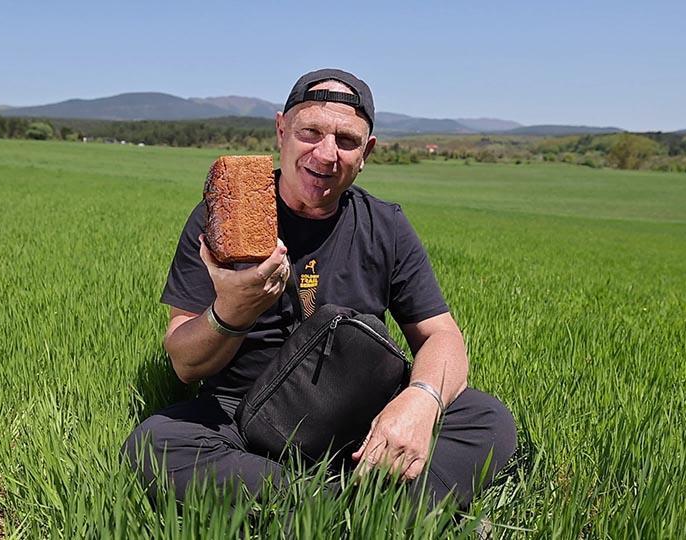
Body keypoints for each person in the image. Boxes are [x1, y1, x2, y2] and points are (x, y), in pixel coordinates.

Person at [122, 68, 516, 507]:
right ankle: (362, 510)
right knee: (155, 444)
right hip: (242, 415)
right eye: (311, 132)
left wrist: (421, 403)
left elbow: (441, 334)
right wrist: (231, 312)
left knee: (487, 419)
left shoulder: (385, 225)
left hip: (357, 418)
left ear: (366, 152)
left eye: (346, 141)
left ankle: (305, 510)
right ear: (281, 131)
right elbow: (184, 364)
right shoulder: (227, 215)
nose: (326, 154)